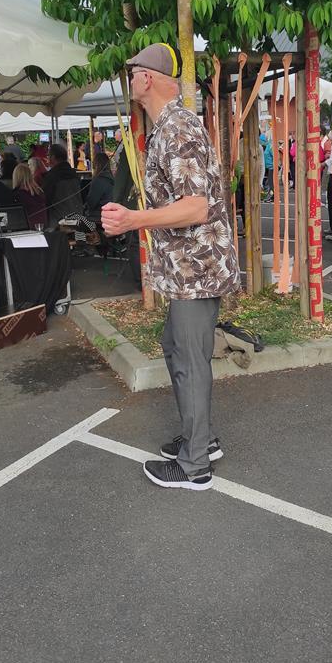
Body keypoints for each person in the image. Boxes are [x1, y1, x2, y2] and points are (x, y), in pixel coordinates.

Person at [102, 42, 240, 491]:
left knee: (189, 359)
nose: (130, 80)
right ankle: (201, 439)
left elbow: (195, 207)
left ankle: (195, 465)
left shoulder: (177, 128)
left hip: (197, 268)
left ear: (148, 78)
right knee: (176, 348)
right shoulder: (168, 125)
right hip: (188, 269)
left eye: (132, 72)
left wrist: (133, 220)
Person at [42, 142, 84, 228]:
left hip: (60, 224)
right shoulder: (74, 174)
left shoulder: (52, 176)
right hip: (78, 219)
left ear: (53, 157)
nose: (47, 158)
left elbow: (45, 199)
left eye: (48, 156)